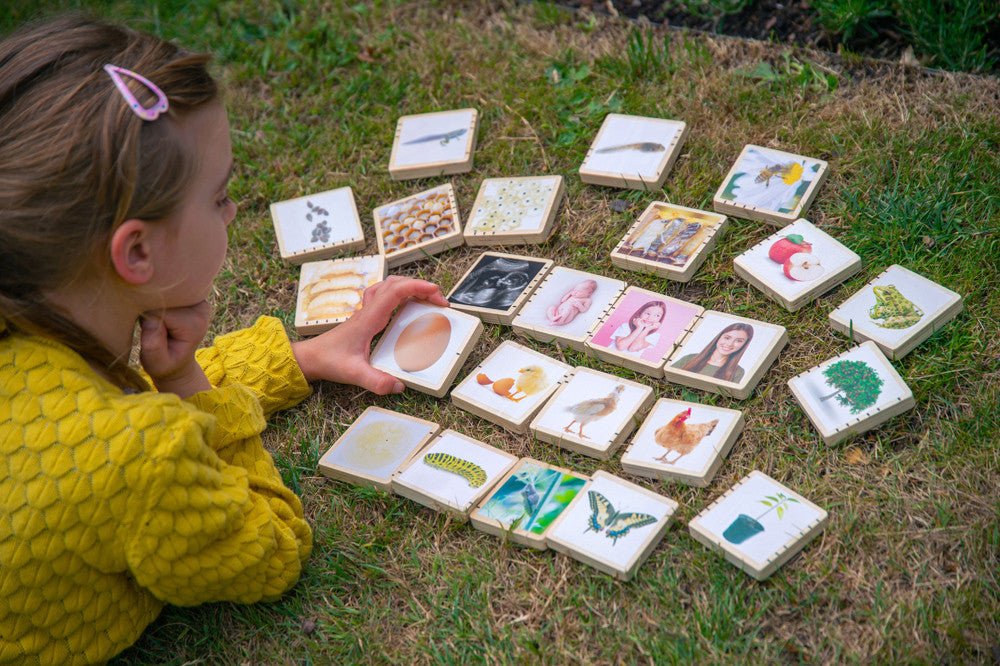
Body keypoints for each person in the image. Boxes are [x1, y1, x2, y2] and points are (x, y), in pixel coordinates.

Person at [0, 16, 448, 664]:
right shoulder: (143, 462)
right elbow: (271, 547)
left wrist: (303, 358)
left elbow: (113, 404)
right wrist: (189, 385)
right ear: (137, 252)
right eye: (220, 198)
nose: (234, 212)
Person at [671, 323, 754, 383]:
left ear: (744, 344)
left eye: (739, 341)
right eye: (727, 338)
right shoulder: (690, 358)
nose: (730, 344)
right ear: (719, 337)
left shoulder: (738, 372)